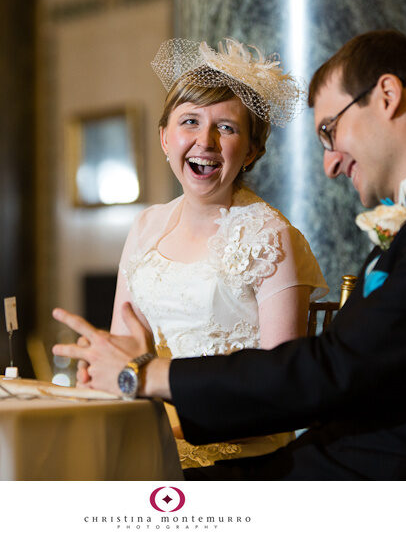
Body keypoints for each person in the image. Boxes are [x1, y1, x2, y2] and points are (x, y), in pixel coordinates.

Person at [53, 29, 406, 479]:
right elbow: (355, 366)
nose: (330, 162)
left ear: (386, 96)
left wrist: (147, 375)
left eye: (330, 131)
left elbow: (333, 369)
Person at [107, 38, 328, 468]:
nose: (204, 141)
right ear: (165, 138)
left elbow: (282, 389)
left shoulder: (270, 234)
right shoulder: (145, 226)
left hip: (239, 465)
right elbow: (122, 348)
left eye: (226, 128)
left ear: (251, 151)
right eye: (189, 121)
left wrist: (174, 423)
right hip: (147, 449)